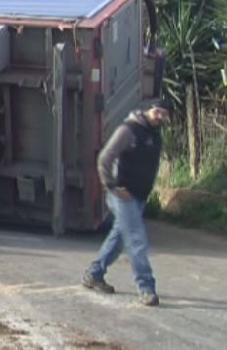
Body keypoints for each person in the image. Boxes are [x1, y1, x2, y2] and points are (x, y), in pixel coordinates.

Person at [82, 97, 171, 307]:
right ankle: (146, 288)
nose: (160, 117)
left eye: (164, 114)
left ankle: (94, 273)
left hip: (139, 195)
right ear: (149, 110)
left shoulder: (154, 133)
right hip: (122, 195)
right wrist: (111, 186)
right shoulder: (129, 130)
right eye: (157, 111)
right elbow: (105, 158)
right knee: (136, 239)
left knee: (120, 237)